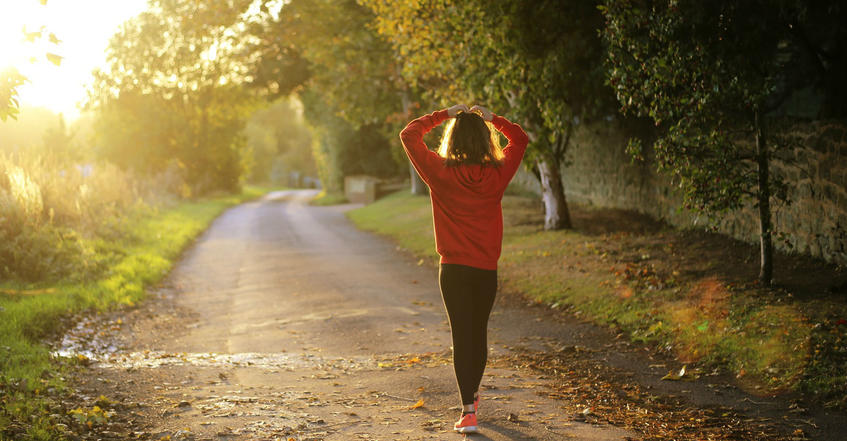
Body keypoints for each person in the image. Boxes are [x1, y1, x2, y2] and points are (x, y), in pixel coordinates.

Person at [399, 104, 529, 433]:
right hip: (485, 269)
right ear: (486, 141)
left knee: (461, 335)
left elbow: (409, 134)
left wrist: (444, 114)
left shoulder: (440, 172)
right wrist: (494, 119)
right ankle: (471, 394)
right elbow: (521, 139)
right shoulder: (498, 173)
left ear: (452, 139)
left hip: (453, 270)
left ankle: (468, 410)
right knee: (478, 333)